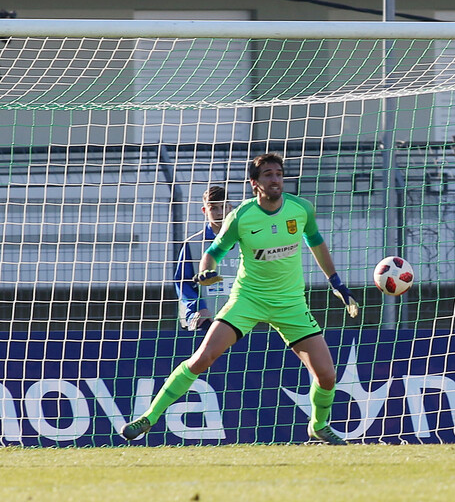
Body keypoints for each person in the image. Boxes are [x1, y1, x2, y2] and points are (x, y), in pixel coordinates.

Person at [122, 153, 360, 445]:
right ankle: (149, 417)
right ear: (254, 183)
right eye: (268, 175)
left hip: (290, 303)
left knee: (327, 375)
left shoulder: (301, 209)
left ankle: (318, 426)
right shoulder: (241, 216)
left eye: (279, 174)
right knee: (203, 357)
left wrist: (336, 283)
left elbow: (316, 242)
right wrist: (207, 272)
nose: (275, 179)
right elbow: (212, 252)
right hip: (248, 299)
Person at [174, 186, 234, 332]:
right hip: (204, 318)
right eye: (213, 208)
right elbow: (183, 283)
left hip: (236, 317)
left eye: (223, 207)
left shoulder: (243, 242)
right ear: (204, 210)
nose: (219, 212)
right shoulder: (193, 244)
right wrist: (199, 308)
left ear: (230, 208)